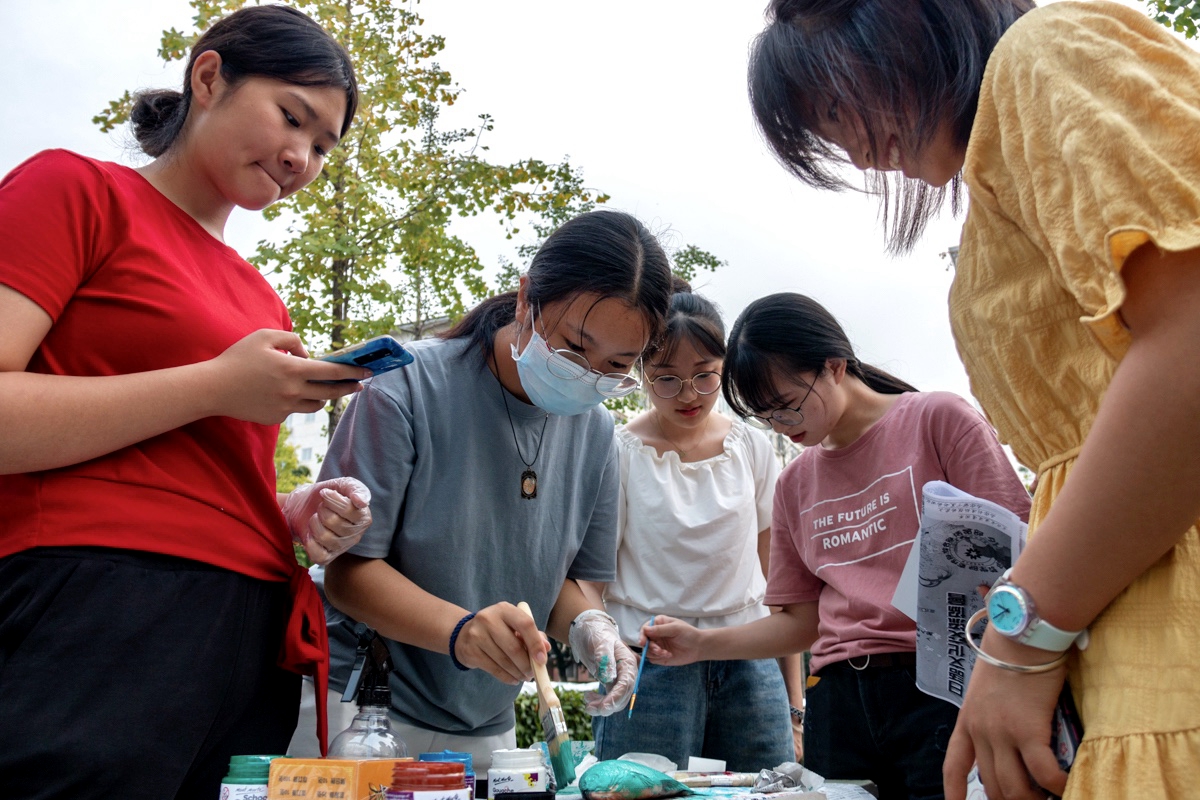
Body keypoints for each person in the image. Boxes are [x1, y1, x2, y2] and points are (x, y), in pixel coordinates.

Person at [747, 2, 1200, 798]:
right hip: (1111, 619)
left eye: (834, 104)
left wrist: (1021, 637)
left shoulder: (1043, 54)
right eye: (824, 133)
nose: (851, 149)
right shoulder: (995, 165)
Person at [0, 7, 374, 798]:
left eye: (322, 146)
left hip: (249, 633)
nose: (300, 157)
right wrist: (216, 384)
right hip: (98, 603)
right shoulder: (77, 189)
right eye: (292, 117)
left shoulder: (261, 298)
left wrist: (290, 511)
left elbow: (188, 469)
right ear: (209, 78)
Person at [310, 210, 673, 771]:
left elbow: (569, 587)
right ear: (527, 297)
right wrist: (461, 632)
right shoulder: (405, 386)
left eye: (617, 365)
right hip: (366, 711)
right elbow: (349, 573)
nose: (588, 375)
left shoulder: (599, 432)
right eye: (575, 347)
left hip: (489, 720)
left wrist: (591, 628)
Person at [643, 293, 1031, 800]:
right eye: (767, 417)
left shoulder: (938, 420)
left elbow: (1018, 561)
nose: (783, 426)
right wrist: (701, 643)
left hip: (941, 685)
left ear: (833, 365)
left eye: (787, 406)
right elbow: (800, 624)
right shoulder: (795, 482)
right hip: (837, 704)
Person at [580, 281, 800, 770]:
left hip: (749, 659)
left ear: (724, 369)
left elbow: (778, 583)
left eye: (704, 376)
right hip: (647, 662)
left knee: (763, 788)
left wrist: (794, 702)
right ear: (641, 372)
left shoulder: (752, 447)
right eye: (666, 378)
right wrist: (606, 658)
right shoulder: (617, 452)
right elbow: (592, 575)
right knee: (641, 789)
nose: (688, 395)